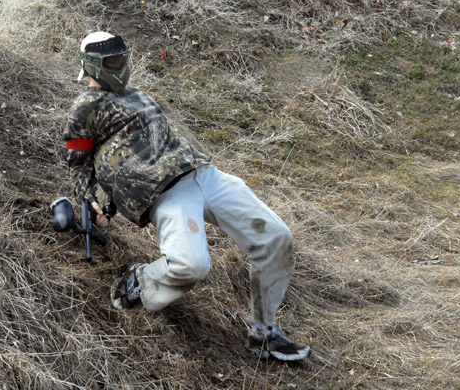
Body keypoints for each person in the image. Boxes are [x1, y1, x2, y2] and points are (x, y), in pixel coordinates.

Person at [62, 31, 310, 361]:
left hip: (205, 174)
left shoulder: (137, 95)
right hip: (166, 193)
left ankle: (265, 333)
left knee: (276, 237)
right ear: (93, 67)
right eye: (113, 63)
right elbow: (78, 163)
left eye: (123, 59)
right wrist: (89, 200)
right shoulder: (84, 107)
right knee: (191, 266)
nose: (121, 67)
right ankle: (142, 280)